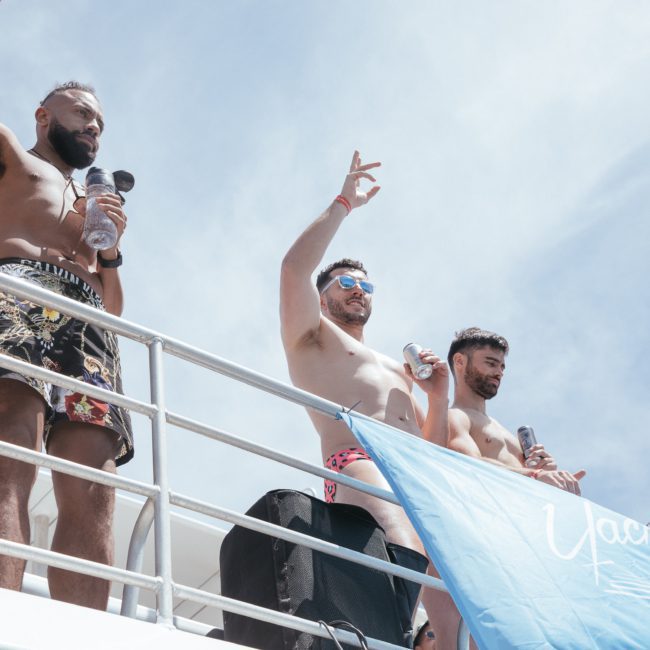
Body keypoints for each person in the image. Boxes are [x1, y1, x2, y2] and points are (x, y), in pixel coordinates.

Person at [280, 151, 459, 647]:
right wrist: (344, 202)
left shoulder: (395, 368)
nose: (359, 290)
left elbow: (433, 453)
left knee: (452, 615)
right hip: (358, 461)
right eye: (347, 283)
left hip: (415, 474)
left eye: (365, 284)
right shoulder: (314, 339)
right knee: (401, 568)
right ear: (323, 297)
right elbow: (293, 268)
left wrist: (439, 398)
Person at [0, 81, 133, 609]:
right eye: (81, 113)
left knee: (93, 481)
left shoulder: (93, 200)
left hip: (87, 319)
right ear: (42, 116)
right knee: (11, 448)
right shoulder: (14, 156)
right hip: (18, 294)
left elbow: (114, 305)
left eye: (99, 120)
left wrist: (114, 252)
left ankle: (87, 636)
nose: (94, 125)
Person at [447, 327, 586, 494]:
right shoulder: (454, 416)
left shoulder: (504, 431)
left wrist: (547, 474)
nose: (499, 373)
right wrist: (535, 475)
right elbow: (467, 464)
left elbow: (525, 480)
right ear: (460, 361)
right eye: (491, 363)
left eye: (502, 367)